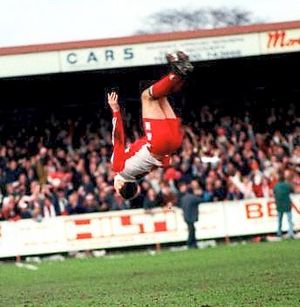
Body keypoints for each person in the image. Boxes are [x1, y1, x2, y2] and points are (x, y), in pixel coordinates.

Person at [107, 51, 194, 200]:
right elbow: (118, 139)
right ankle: (176, 72)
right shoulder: (118, 168)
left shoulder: (139, 174)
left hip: (172, 145)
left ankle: (180, 71)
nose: (114, 186)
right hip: (157, 142)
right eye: (116, 189)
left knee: (160, 96)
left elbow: (164, 162)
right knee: (146, 96)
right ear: (121, 186)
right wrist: (116, 111)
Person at [178, 182, 203, 248]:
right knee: (192, 230)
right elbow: (201, 200)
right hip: (191, 216)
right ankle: (190, 243)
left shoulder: (183, 198)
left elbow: (178, 205)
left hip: (186, 216)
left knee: (191, 229)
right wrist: (199, 194)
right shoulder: (192, 197)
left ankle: (193, 243)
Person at [273, 171, 294, 239]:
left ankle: (279, 233)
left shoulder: (276, 186)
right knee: (289, 220)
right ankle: (291, 232)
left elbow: (274, 193)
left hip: (279, 205)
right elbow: (292, 190)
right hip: (287, 204)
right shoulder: (287, 185)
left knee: (279, 220)